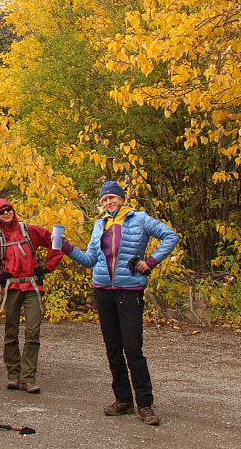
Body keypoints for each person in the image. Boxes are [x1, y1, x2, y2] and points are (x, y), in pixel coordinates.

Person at [62, 181, 179, 426]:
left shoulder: (140, 219)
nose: (108, 203)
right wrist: (67, 247)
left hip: (130, 291)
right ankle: (123, 399)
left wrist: (150, 262)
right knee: (113, 348)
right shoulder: (99, 224)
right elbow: (90, 259)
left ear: (121, 199)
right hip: (103, 291)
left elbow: (170, 236)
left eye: (112, 198)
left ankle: (145, 405)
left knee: (133, 349)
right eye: (104, 200)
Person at [0, 198, 65, 394]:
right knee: (11, 333)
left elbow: (56, 242)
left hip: (32, 287)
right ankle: (14, 375)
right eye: (2, 212)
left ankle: (28, 378)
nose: (6, 213)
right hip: (12, 289)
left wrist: (47, 267)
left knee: (33, 331)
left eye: (9, 209)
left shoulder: (29, 230)